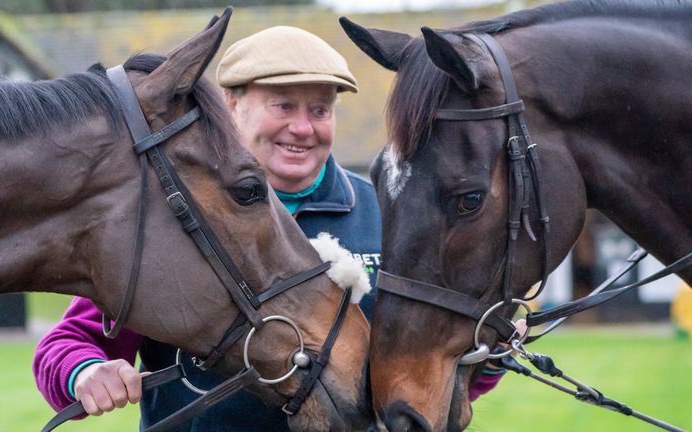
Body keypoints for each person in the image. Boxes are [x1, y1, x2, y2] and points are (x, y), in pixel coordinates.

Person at [33, 26, 508, 431]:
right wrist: (87, 372)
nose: (303, 128)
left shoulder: (387, 213)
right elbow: (67, 344)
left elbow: (434, 362)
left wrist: (485, 353)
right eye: (283, 106)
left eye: (320, 110)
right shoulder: (171, 219)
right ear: (230, 107)